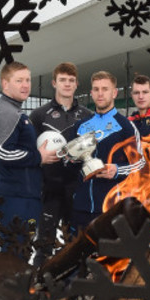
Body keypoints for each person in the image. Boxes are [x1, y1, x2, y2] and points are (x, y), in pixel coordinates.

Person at [29, 62, 92, 262]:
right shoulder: (39, 115)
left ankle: (75, 288)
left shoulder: (87, 115)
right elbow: (31, 153)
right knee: (44, 245)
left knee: (76, 244)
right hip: (49, 190)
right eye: (62, 80)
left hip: (77, 189)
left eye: (71, 80)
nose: (67, 84)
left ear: (76, 84)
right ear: (54, 83)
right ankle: (39, 286)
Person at [69, 71, 145, 232]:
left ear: (114, 93)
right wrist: (70, 160)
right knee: (78, 255)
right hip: (81, 208)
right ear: (91, 93)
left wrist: (116, 170)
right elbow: (70, 164)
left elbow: (139, 164)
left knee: (109, 256)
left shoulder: (126, 126)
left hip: (111, 208)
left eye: (105, 89)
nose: (100, 93)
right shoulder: (80, 126)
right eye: (96, 89)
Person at [0, 61, 51, 255]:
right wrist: (38, 156)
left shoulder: (17, 112)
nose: (25, 85)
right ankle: (4, 287)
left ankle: (15, 286)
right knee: (13, 254)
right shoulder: (6, 113)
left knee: (21, 253)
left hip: (27, 196)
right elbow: (3, 152)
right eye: (19, 80)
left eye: (28, 80)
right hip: (15, 198)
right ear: (5, 84)